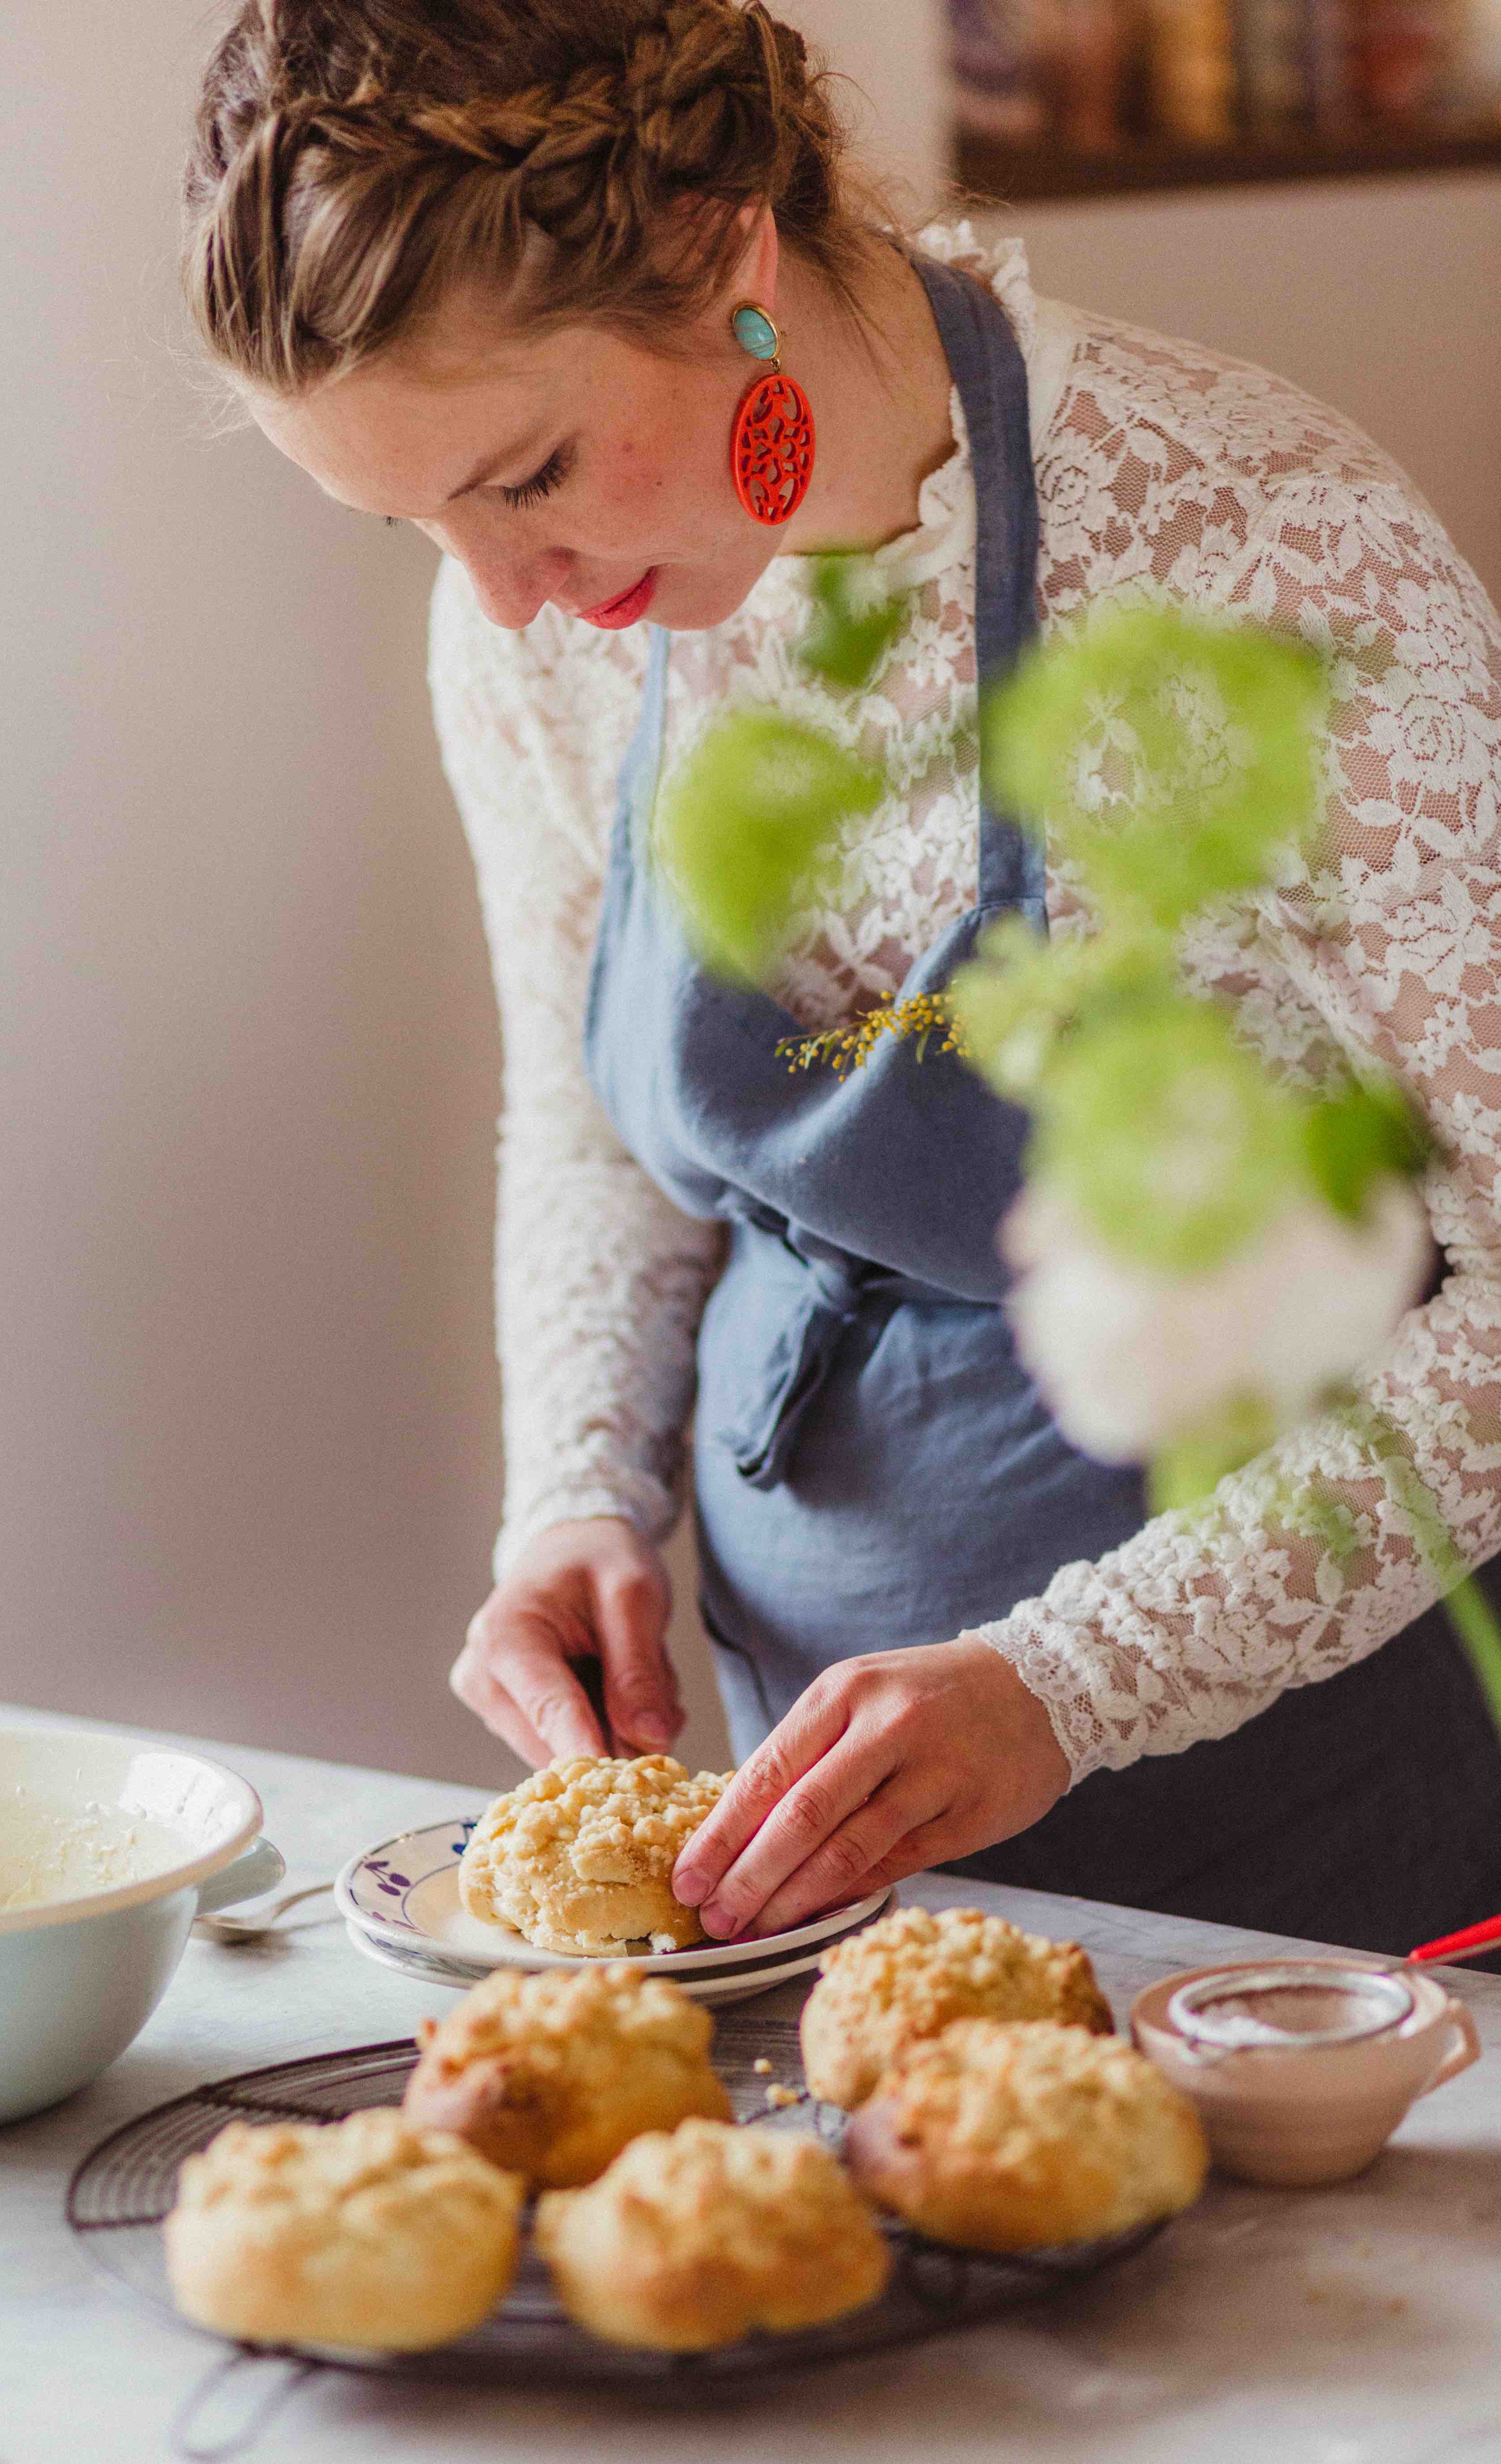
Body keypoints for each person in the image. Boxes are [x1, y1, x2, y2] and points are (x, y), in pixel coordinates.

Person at [182, 0, 1501, 1957]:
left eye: (529, 469)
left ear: (728, 245)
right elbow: (594, 1123)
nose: (499, 593)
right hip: (818, 1836)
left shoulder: (1256, 546)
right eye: (413, 524)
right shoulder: (548, 639)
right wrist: (581, 1501)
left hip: (1314, 1861)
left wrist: (1076, 1681)